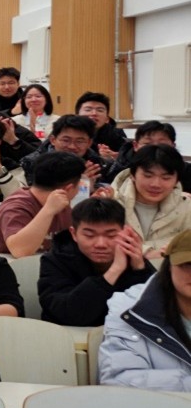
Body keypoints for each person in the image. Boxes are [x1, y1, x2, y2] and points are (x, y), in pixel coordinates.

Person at [38, 197, 154, 327]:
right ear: (74, 234)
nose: (101, 244)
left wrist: (140, 269)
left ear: (125, 232)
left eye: (111, 235)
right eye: (89, 235)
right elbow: (68, 314)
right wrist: (114, 271)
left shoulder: (132, 257)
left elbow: (157, 310)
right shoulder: (55, 260)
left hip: (124, 336)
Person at [98, 230, 191, 391]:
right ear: (169, 266)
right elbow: (119, 380)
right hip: (154, 406)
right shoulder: (130, 309)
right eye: (188, 264)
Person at [0, 151, 85, 257]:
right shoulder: (16, 206)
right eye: (79, 185)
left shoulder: (62, 205)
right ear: (68, 188)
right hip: (9, 265)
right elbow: (20, 251)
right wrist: (48, 211)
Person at [110, 144, 191, 251]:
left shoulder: (187, 208)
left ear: (176, 181)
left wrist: (142, 250)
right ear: (132, 175)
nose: (155, 184)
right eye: (148, 176)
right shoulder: (111, 202)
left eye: (166, 178)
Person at [74, 91, 129, 159]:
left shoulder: (116, 134)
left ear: (107, 119)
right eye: (88, 110)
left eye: (100, 110)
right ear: (77, 115)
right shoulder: (68, 131)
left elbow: (126, 157)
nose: (94, 113)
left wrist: (115, 158)